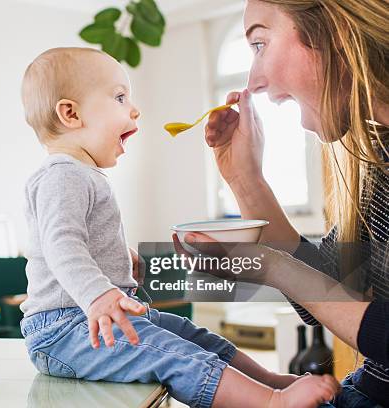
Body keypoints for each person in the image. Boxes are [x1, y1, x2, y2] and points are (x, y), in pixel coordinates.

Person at [19, 46, 339, 408]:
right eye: (120, 97)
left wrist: (115, 261)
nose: (134, 109)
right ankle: (270, 402)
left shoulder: (81, 175)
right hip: (65, 330)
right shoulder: (62, 175)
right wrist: (98, 294)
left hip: (88, 318)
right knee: (170, 353)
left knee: (192, 335)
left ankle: (269, 380)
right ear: (70, 114)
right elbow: (60, 245)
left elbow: (75, 241)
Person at [175, 1, 388, 406]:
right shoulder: (381, 159)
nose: (253, 80)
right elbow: (335, 290)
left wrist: (271, 266)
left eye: (259, 44)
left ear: (334, 31)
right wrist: (246, 181)